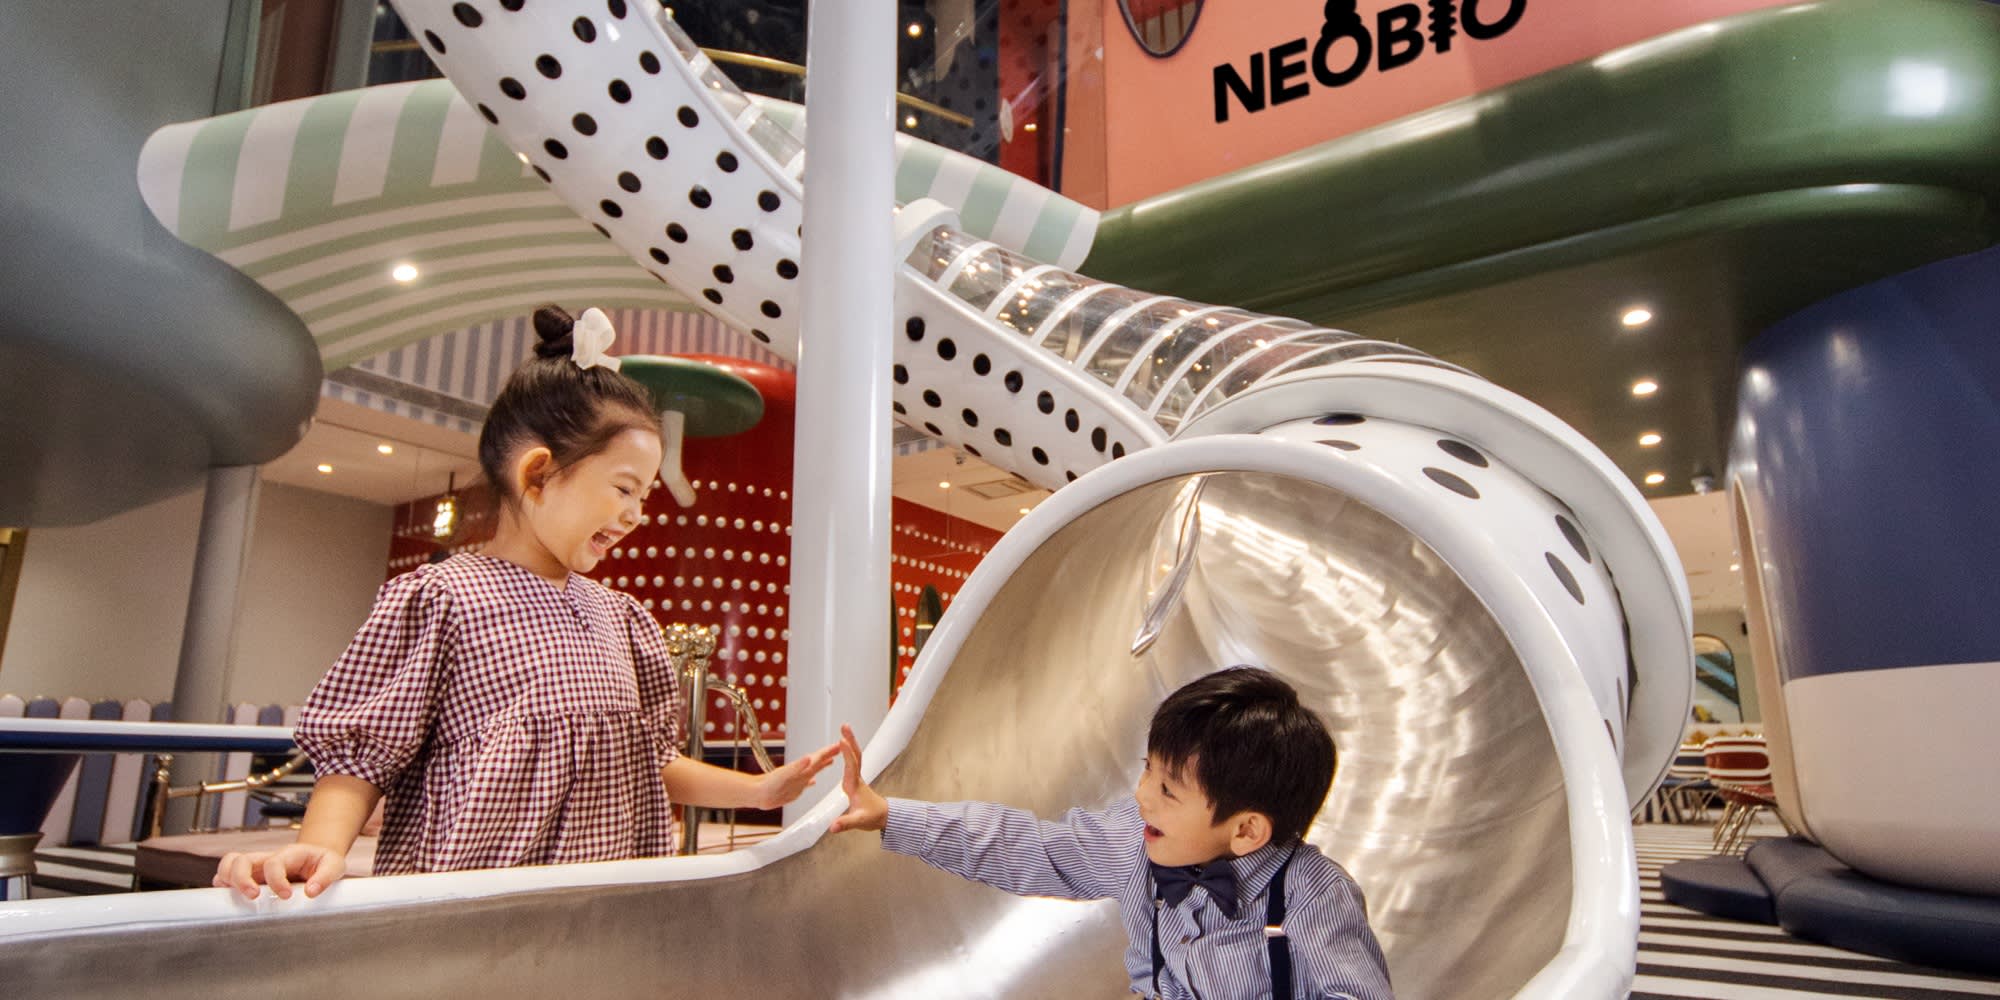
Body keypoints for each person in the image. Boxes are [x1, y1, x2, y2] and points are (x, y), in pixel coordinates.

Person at [215, 304, 837, 900]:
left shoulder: (623, 620)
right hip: (471, 912)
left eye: (645, 495)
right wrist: (319, 847)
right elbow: (364, 754)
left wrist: (759, 792)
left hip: (604, 912)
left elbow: (649, 762)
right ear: (538, 474)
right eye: (625, 488)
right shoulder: (442, 598)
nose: (636, 515)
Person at [831, 666, 1393, 1000]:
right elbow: (1026, 845)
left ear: (1246, 830)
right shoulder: (1136, 839)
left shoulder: (1314, 895)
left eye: (1168, 789)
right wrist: (891, 815)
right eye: (1147, 770)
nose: (1143, 795)